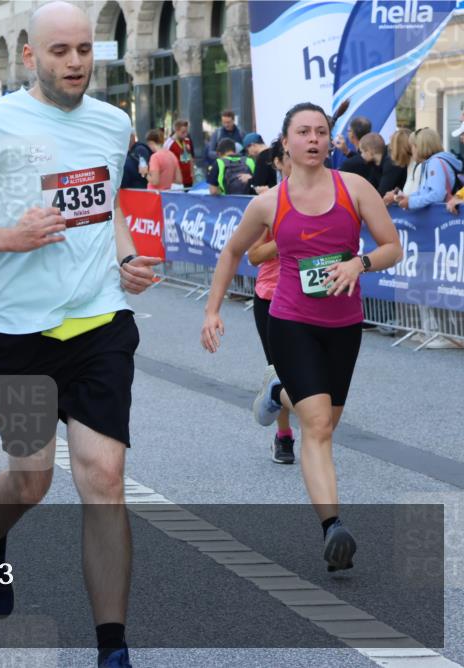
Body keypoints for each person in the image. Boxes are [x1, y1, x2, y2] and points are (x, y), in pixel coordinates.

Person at [0, 3, 161, 666]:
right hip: (18, 333)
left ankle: (112, 649)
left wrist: (124, 259)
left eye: (85, 49)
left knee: (104, 474)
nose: (76, 62)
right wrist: (10, 236)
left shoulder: (114, 124)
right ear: (30, 57)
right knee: (31, 481)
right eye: (60, 51)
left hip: (101, 323)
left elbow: (107, 207)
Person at [201, 101, 402, 572]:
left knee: (325, 423)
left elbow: (391, 245)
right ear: (286, 142)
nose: (313, 139)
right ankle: (333, 528)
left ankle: (279, 391)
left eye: (320, 132)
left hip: (344, 324)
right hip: (290, 319)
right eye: (303, 132)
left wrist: (359, 262)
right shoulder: (270, 202)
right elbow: (233, 253)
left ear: (330, 141)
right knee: (315, 427)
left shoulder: (354, 188)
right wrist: (212, 310)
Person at [247, 139, 296, 463]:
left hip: (313, 297)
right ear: (278, 163)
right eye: (289, 157)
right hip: (273, 297)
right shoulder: (268, 203)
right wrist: (287, 239)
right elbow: (253, 255)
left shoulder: (326, 198)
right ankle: (284, 436)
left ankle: (277, 396)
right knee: (285, 370)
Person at [394, 128, 462, 210]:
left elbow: (437, 195)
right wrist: (408, 197)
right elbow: (426, 192)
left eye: (413, 146)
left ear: (420, 146)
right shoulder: (433, 162)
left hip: (445, 216)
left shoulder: (435, 163)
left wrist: (411, 202)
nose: (411, 150)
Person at [379, 129, 411, 204]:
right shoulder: (412, 163)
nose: (389, 146)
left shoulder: (393, 163)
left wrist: (394, 196)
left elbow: (383, 191)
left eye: (391, 143)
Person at [163, 119, 195, 188]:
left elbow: (191, 158)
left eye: (186, 132)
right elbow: (165, 162)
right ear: (176, 130)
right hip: (177, 181)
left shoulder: (187, 141)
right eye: (183, 132)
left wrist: (193, 173)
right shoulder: (169, 144)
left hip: (189, 179)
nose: (185, 134)